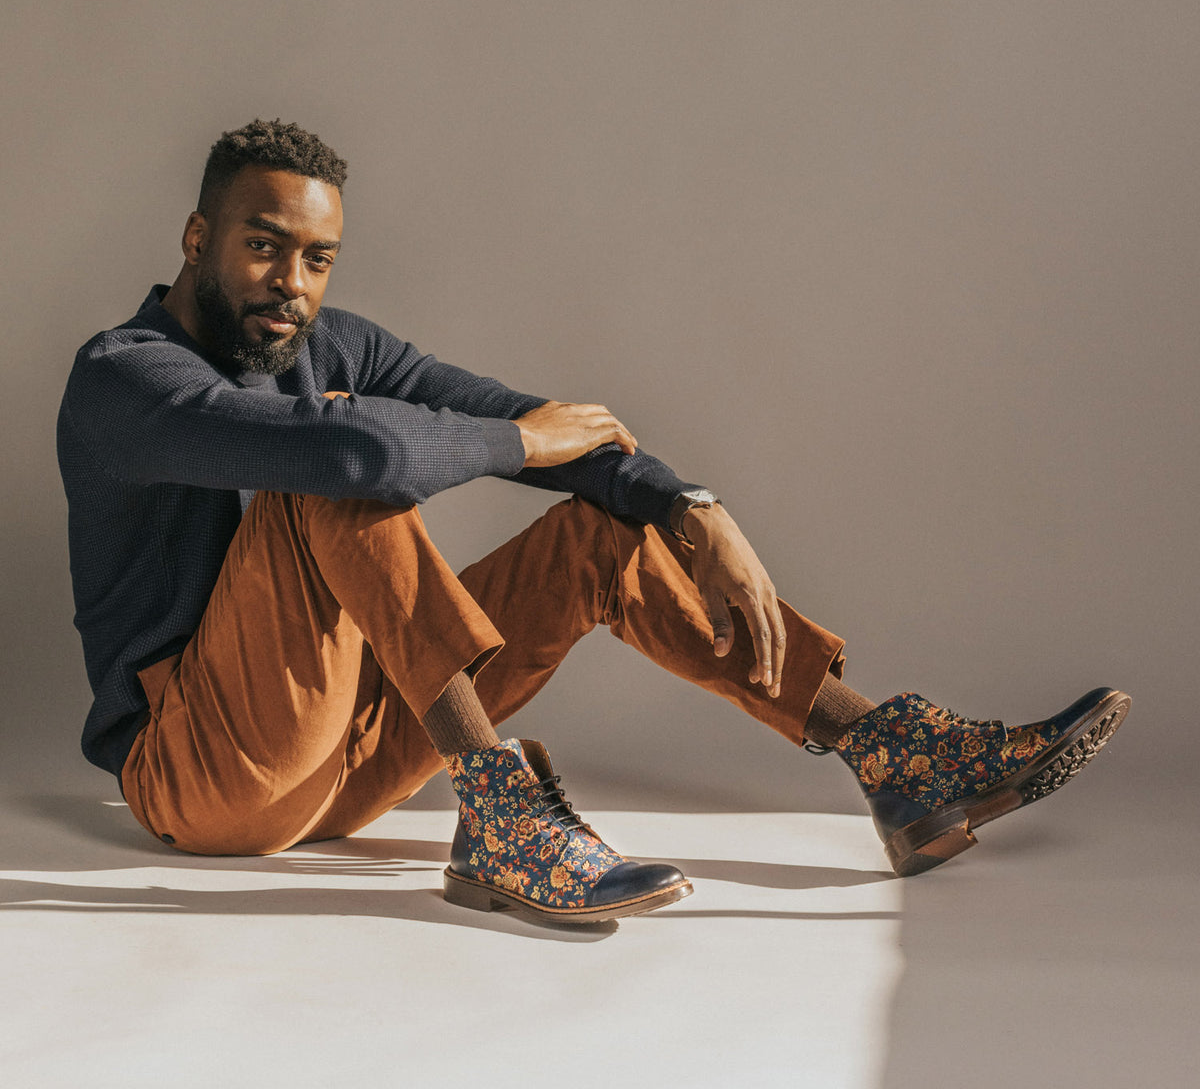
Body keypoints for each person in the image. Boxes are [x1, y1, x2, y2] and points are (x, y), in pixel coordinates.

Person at [57, 119, 1130, 924]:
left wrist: (687, 507)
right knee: (331, 460)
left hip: (353, 757)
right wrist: (524, 448)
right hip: (201, 779)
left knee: (595, 538)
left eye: (318, 259)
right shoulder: (124, 378)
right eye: (262, 246)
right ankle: (502, 807)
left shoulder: (325, 343)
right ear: (199, 236)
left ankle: (889, 753)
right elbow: (363, 456)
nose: (291, 285)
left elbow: (543, 425)